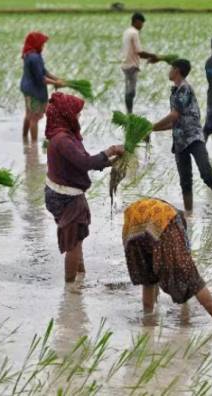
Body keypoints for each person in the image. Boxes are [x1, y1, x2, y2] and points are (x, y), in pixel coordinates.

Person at [44, 92, 124, 282]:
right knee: (73, 244)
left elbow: (84, 162)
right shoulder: (63, 140)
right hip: (67, 197)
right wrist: (111, 150)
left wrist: (110, 162)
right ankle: (71, 290)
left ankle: (80, 279)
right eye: (77, 113)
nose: (79, 117)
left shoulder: (65, 136)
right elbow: (84, 162)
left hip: (60, 192)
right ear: (67, 114)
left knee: (77, 239)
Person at [152, 59, 212, 217]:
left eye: (171, 68)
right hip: (180, 141)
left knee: (206, 174)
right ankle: (189, 215)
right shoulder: (174, 92)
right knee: (185, 181)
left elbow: (174, 115)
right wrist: (151, 130)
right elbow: (175, 122)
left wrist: (152, 126)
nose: (169, 71)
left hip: (194, 138)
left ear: (177, 71)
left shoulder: (184, 89)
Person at [122, 198, 212, 324]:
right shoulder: (175, 221)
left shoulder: (166, 208)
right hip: (160, 219)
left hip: (132, 222)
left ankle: (148, 319)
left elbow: (154, 274)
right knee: (192, 277)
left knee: (148, 279)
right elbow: (184, 262)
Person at [20, 31, 65, 142]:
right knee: (34, 118)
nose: (43, 46)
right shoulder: (34, 57)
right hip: (33, 90)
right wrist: (56, 83)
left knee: (29, 115)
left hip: (28, 88)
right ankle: (33, 146)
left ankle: (25, 139)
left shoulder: (31, 54)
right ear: (36, 43)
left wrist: (56, 78)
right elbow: (40, 79)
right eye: (42, 43)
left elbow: (44, 71)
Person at [120, 12, 158, 114]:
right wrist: (153, 56)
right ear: (136, 21)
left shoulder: (127, 31)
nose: (142, 26)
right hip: (131, 65)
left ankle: (128, 112)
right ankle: (130, 113)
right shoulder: (134, 33)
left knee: (128, 89)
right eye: (141, 23)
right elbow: (139, 52)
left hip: (125, 64)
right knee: (131, 92)